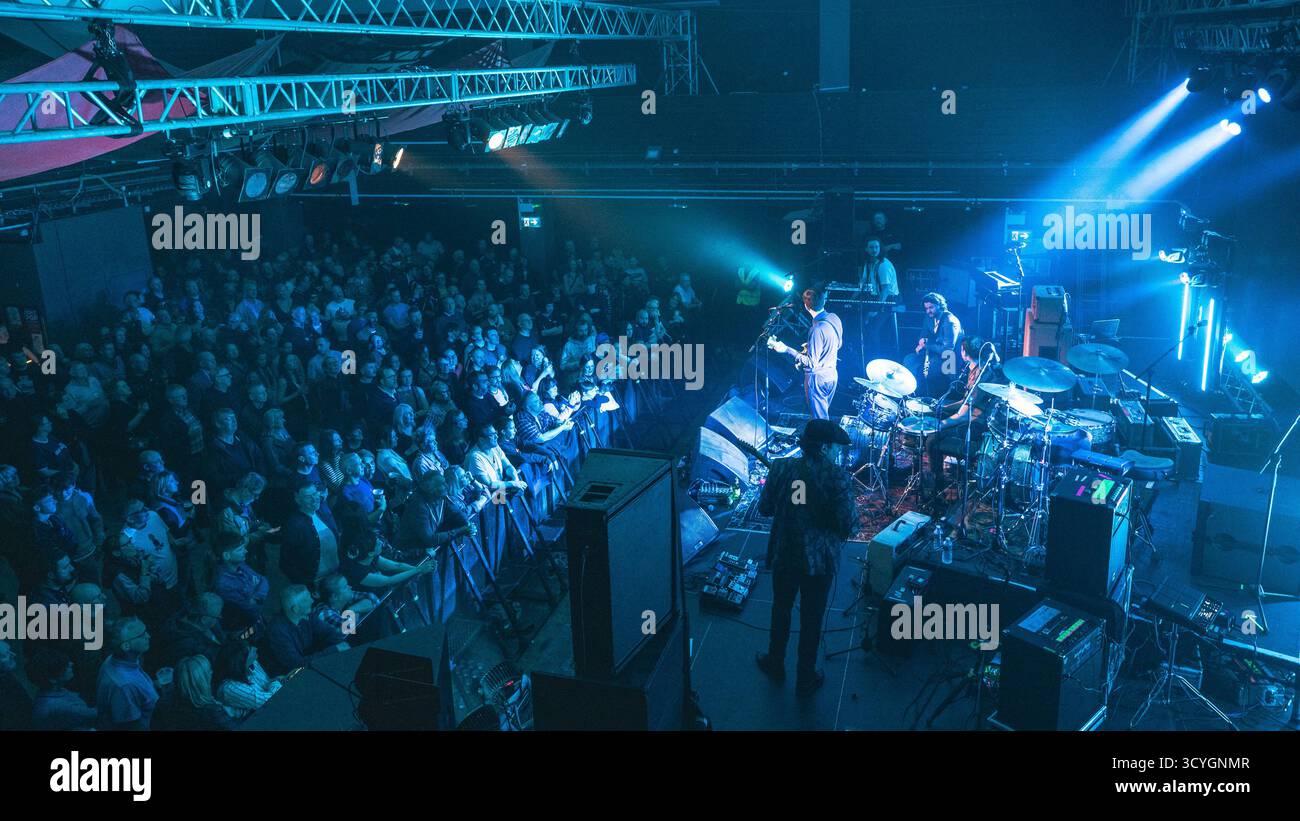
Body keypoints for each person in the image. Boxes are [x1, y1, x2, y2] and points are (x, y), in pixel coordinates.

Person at [755, 419, 857, 696]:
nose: (837, 452)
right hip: (819, 562)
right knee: (812, 619)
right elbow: (848, 523)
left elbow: (764, 508)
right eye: (835, 447)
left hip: (785, 554)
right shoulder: (837, 477)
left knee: (781, 608)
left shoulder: (781, 468)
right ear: (824, 448)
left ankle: (775, 662)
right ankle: (805, 677)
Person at [926, 336, 996, 496]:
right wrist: (943, 406)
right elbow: (965, 401)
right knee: (937, 413)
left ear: (964, 352)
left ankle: (938, 483)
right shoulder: (976, 368)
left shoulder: (982, 376)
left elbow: (963, 416)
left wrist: (939, 425)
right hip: (969, 417)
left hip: (974, 425)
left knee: (931, 439)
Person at [767, 288, 843, 420]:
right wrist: (812, 347)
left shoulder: (817, 329)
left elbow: (812, 364)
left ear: (807, 306)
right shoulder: (834, 318)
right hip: (832, 375)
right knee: (822, 415)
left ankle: (823, 440)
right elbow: (838, 344)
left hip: (817, 379)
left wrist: (786, 349)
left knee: (820, 420)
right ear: (823, 301)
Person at [96, 616, 169, 730]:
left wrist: (152, 686)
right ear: (126, 646)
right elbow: (132, 727)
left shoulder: (115, 659)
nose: (148, 636)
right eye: (142, 635)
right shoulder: (124, 686)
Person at [264, 585, 349, 675]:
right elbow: (296, 664)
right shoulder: (278, 631)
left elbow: (329, 633)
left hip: (311, 664)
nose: (312, 601)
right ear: (295, 609)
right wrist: (334, 650)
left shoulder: (308, 616)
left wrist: (340, 643)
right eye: (306, 600)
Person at [153, 655, 236, 731]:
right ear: (202, 680)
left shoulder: (163, 703)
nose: (212, 672)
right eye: (208, 671)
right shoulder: (212, 713)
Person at [903, 292, 963, 398]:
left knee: (930, 369)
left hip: (950, 359)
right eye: (926, 308)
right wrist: (921, 344)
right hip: (935, 352)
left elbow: (947, 349)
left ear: (940, 305)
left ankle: (931, 399)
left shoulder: (949, 321)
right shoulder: (929, 317)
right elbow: (923, 335)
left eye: (931, 307)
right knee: (909, 360)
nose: (928, 311)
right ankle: (915, 395)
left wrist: (926, 345)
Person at [28, 646, 97, 730]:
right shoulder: (59, 706)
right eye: (65, 666)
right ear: (52, 679)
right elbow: (96, 714)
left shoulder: (48, 690)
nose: (72, 664)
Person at [213, 639, 281, 720]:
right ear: (240, 662)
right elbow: (268, 702)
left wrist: (275, 682)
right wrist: (276, 682)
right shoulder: (229, 688)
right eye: (249, 650)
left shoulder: (251, 664)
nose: (255, 649)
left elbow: (267, 683)